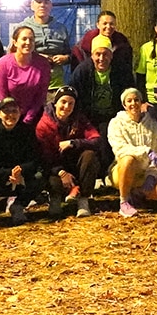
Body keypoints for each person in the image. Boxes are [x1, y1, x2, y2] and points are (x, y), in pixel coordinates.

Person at [0, 97, 45, 227]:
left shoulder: (27, 131)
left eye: (14, 111)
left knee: (40, 178)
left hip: (20, 176)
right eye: (6, 111)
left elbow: (35, 158)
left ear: (20, 112)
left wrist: (20, 170)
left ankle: (17, 206)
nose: (10, 115)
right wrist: (7, 174)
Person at [36, 87, 105, 218]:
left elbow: (96, 139)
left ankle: (83, 199)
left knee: (90, 156)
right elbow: (43, 156)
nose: (66, 106)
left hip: (75, 164)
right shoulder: (43, 125)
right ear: (55, 103)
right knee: (53, 184)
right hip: (54, 167)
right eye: (63, 102)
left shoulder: (79, 119)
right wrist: (61, 173)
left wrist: (74, 143)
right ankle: (55, 197)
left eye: (71, 103)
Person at [107, 87, 157, 217]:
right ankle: (123, 202)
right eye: (129, 101)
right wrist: (145, 150)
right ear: (124, 105)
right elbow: (119, 149)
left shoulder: (151, 124)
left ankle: (137, 194)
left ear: (141, 103)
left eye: (136, 100)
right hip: (123, 168)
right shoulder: (116, 123)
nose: (133, 104)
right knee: (129, 159)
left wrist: (152, 174)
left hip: (144, 171)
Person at [67, 35, 136, 132]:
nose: (101, 58)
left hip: (116, 116)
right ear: (92, 55)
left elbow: (131, 91)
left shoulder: (121, 69)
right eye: (97, 54)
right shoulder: (83, 70)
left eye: (105, 54)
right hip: (88, 117)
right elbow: (72, 93)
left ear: (111, 55)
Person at [0, 25, 53, 126]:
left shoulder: (43, 64)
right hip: (8, 117)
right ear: (15, 42)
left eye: (31, 39)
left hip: (33, 117)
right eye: (24, 39)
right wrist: (12, 116)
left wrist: (28, 118)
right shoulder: (2, 63)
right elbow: (2, 97)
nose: (28, 43)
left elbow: (41, 96)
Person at [18, 0, 75, 83]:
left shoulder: (61, 28)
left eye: (46, 2)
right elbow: (12, 53)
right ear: (32, 6)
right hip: (29, 81)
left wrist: (65, 58)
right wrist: (37, 58)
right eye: (39, 2)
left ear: (51, 6)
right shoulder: (22, 28)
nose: (42, 5)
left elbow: (70, 53)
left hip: (56, 82)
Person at [75, 10, 135, 78]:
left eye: (111, 24)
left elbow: (127, 62)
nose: (108, 27)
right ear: (97, 25)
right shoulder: (88, 40)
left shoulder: (121, 41)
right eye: (105, 23)